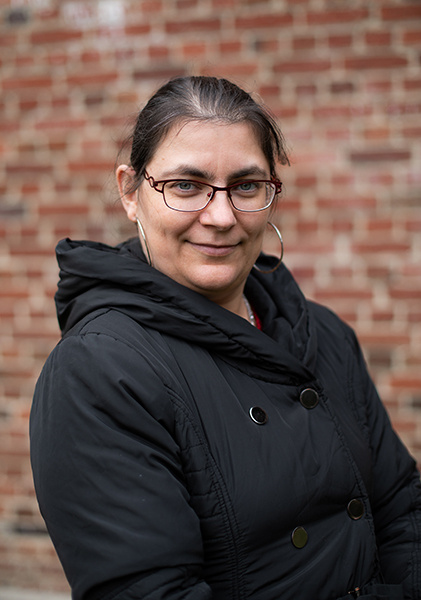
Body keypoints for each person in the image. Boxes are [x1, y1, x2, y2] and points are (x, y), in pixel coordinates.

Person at [30, 76, 421, 600]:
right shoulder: (99, 372)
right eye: (186, 186)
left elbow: (401, 507)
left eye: (246, 186)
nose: (220, 217)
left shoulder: (324, 334)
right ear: (130, 191)